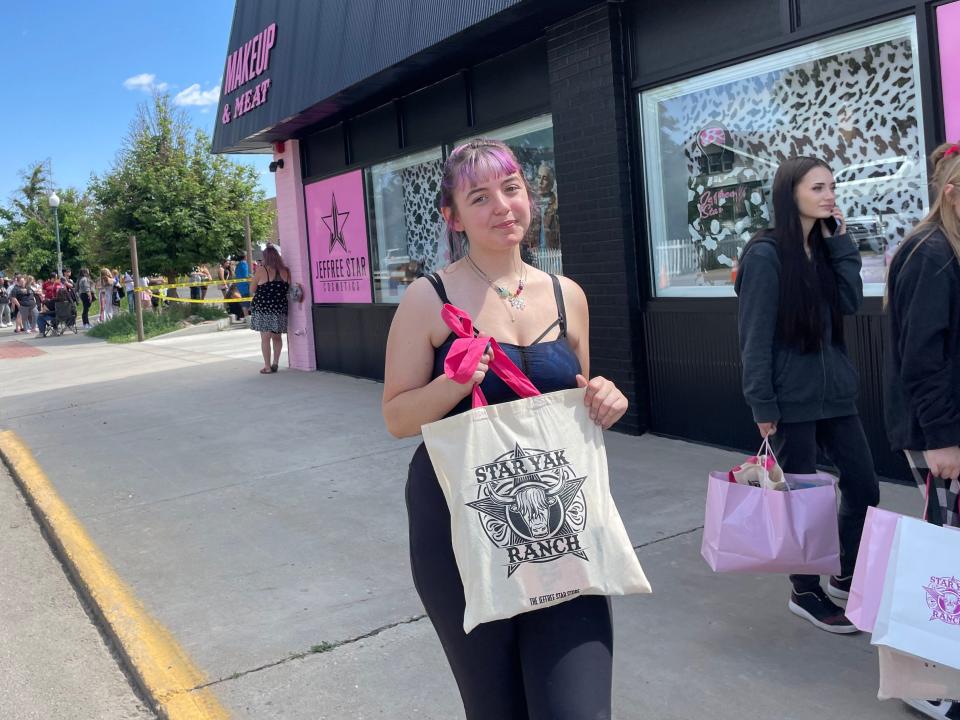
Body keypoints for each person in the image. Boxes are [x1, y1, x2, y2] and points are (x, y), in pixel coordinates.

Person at [382, 138, 628, 719]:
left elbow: (574, 399)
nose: (503, 207)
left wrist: (604, 397)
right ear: (453, 217)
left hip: (559, 523)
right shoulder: (428, 299)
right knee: (496, 709)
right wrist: (450, 385)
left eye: (512, 189)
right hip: (459, 521)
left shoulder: (568, 296)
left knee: (578, 707)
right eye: (480, 197)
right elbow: (396, 417)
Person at [735, 156, 878, 634]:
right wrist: (762, 404)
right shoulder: (766, 255)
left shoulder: (824, 249)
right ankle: (805, 590)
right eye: (818, 187)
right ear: (790, 192)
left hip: (834, 393)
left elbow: (851, 303)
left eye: (832, 187)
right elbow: (754, 335)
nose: (828, 195)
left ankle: (841, 571)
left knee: (863, 485)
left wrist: (841, 245)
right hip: (789, 400)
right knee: (799, 502)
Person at [883, 141, 960, 720]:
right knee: (943, 558)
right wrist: (941, 439)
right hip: (943, 431)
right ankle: (927, 678)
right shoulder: (930, 253)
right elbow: (922, 359)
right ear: (952, 191)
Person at [250, 244, 290, 374]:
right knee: (277, 337)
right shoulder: (285, 271)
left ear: (266, 257)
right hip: (280, 307)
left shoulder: (261, 270)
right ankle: (275, 363)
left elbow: (252, 290)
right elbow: (288, 289)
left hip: (263, 308)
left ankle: (267, 366)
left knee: (265, 338)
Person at [234, 253, 251, 321]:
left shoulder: (238, 265)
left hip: (240, 285)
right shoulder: (244, 264)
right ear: (245, 257)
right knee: (246, 301)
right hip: (245, 285)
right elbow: (245, 275)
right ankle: (247, 318)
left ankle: (246, 317)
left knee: (245, 301)